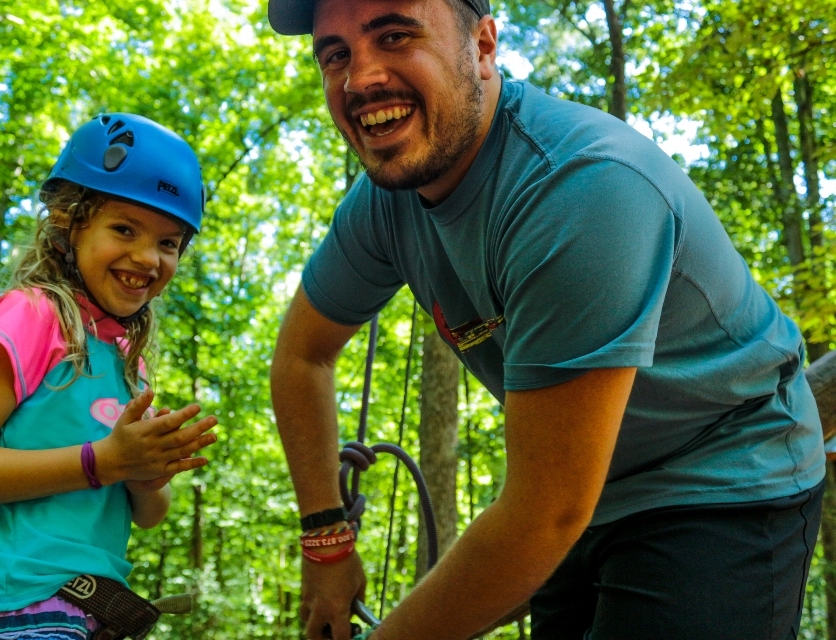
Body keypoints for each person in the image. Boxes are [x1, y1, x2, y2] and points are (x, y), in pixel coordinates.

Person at [265, 0, 827, 637]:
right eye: (335, 54)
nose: (359, 78)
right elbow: (301, 356)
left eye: (395, 35)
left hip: (721, 472)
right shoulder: (382, 210)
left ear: (481, 47)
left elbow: (546, 512)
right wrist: (326, 543)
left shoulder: (580, 188)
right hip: (581, 491)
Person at [0, 113, 217, 640]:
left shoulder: (127, 362)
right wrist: (103, 461)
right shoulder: (31, 315)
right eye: (124, 228)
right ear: (66, 220)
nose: (147, 258)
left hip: (83, 612)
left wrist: (145, 475)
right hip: (8, 608)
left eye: (169, 243)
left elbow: (147, 514)